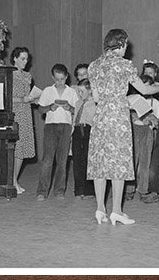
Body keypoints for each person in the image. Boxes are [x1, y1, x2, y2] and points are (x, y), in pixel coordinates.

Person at [86, 28, 159, 226]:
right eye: (126, 44)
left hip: (101, 118)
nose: (127, 48)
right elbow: (145, 89)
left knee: (100, 164)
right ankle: (117, 211)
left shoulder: (94, 66)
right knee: (119, 164)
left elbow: (95, 98)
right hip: (118, 118)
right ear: (120, 44)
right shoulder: (125, 65)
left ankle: (99, 210)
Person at [35, 63, 78, 199]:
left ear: (66, 77)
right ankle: (42, 191)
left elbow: (76, 110)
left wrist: (69, 107)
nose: (59, 82)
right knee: (47, 159)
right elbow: (41, 109)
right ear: (53, 77)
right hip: (50, 126)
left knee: (62, 160)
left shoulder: (71, 92)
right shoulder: (47, 91)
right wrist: (49, 107)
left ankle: (59, 190)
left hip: (66, 127)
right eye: (57, 79)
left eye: (62, 79)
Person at [10, 46, 37, 195]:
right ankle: (12, 181)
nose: (25, 62)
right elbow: (6, 98)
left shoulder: (27, 76)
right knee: (15, 148)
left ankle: (14, 180)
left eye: (27, 59)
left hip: (26, 113)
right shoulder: (9, 75)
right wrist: (22, 99)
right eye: (22, 58)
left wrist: (35, 99)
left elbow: (29, 96)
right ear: (15, 58)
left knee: (21, 150)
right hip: (15, 113)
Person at [71, 78, 96, 199]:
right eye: (78, 91)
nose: (79, 94)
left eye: (82, 91)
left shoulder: (94, 104)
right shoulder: (77, 103)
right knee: (77, 160)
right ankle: (78, 190)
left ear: (90, 91)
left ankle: (89, 190)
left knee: (87, 160)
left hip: (88, 130)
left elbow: (93, 120)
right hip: (77, 130)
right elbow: (75, 118)